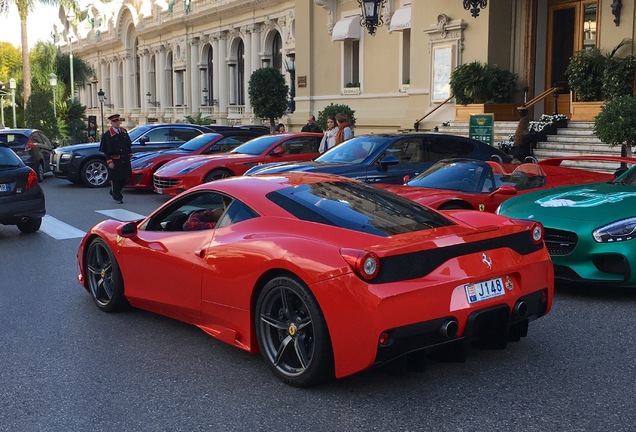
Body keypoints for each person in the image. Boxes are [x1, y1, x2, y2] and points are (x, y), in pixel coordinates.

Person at [99, 114, 132, 204]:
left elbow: (128, 145)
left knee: (124, 178)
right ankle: (118, 196)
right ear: (111, 123)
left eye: (118, 121)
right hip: (115, 160)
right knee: (116, 179)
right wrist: (109, 161)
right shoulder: (107, 135)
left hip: (124, 159)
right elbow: (106, 150)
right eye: (114, 121)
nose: (117, 123)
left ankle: (114, 191)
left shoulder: (124, 132)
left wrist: (129, 155)